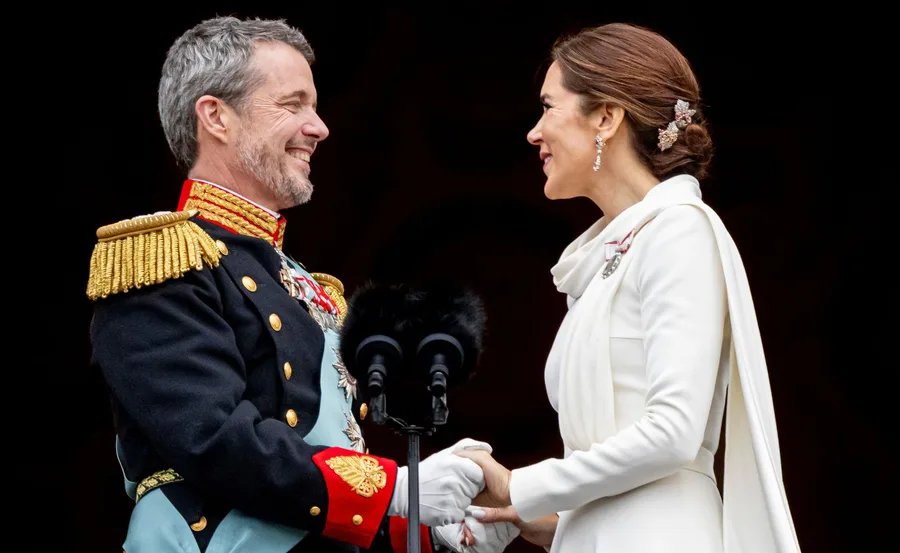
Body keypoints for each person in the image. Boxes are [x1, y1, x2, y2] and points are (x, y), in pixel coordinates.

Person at [85, 16, 518, 553]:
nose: (319, 127)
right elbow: (213, 440)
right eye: (292, 105)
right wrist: (395, 489)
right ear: (215, 116)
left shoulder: (300, 281)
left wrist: (432, 528)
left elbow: (315, 485)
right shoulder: (162, 260)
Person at [456, 23, 803, 553]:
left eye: (548, 107)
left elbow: (673, 432)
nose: (534, 132)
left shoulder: (679, 230)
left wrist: (520, 485)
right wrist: (553, 523)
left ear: (606, 118)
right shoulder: (609, 257)